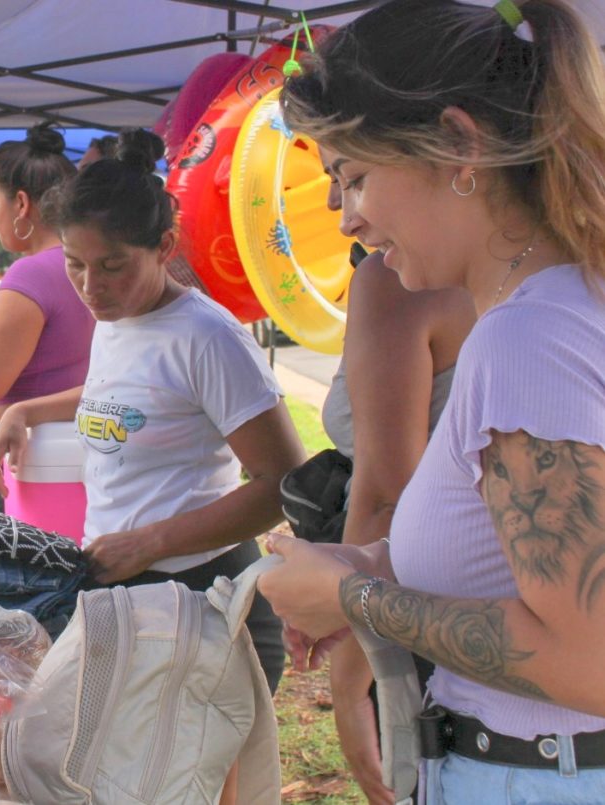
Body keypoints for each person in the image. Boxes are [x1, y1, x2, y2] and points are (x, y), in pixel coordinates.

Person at [258, 1, 605, 800]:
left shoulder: (527, 340)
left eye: (355, 176)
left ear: (457, 143)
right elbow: (521, 573)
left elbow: (585, 656)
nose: (350, 218)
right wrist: (371, 564)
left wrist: (356, 595)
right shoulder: (560, 307)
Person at [0, 129, 303, 699]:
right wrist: (26, 410)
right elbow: (129, 394)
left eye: (112, 266)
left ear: (165, 246)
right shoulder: (118, 316)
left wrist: (151, 541)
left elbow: (285, 482)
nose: (91, 287)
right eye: (75, 265)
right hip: (127, 589)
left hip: (202, 597)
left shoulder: (208, 338)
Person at [312, 145, 477, 804]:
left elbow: (385, 494)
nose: (339, 210)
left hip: (431, 632)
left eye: (350, 177)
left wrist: (356, 673)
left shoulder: (398, 283)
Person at [0, 123, 95, 507]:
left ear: (21, 204)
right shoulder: (82, 263)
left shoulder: (31, 273)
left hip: (27, 456)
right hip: (61, 450)